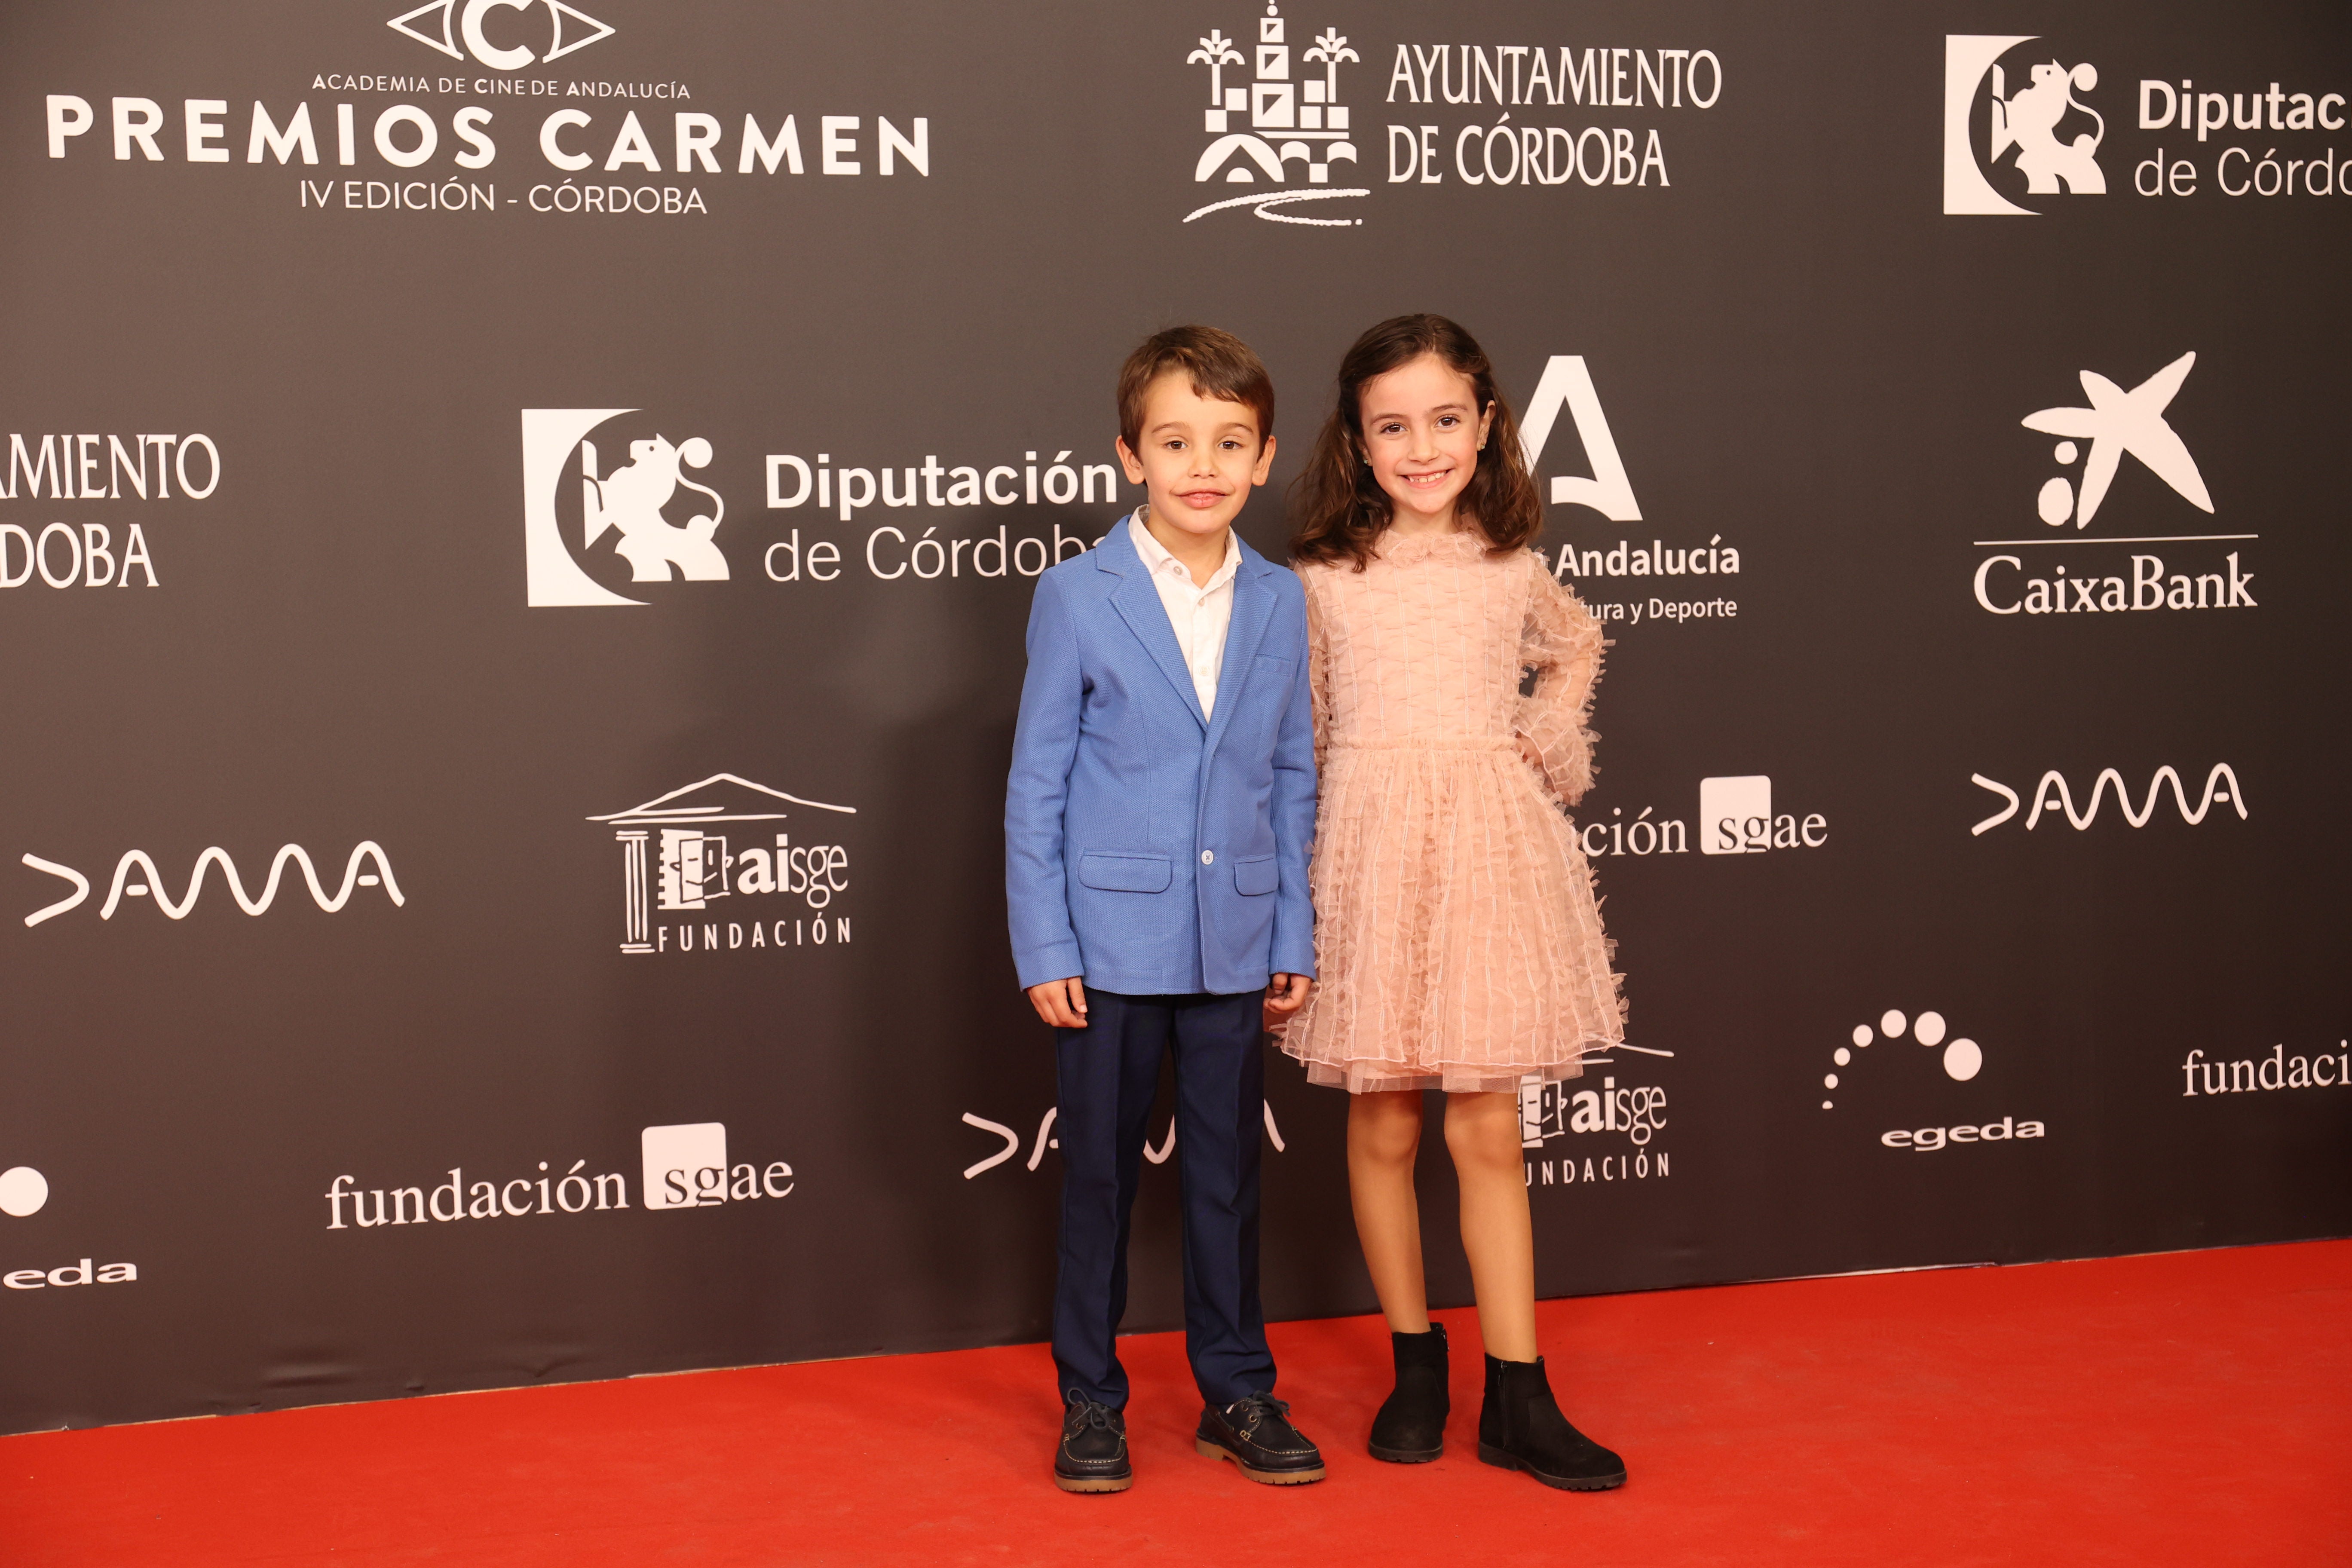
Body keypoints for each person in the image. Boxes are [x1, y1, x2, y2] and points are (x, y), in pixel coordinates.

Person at [1277, 314, 1629, 1491]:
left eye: (1443, 420)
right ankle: (1415, 1364)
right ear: (1358, 444)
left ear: (1486, 425)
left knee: (1487, 1129)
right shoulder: (1324, 579)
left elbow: (1575, 648)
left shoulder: (1511, 564)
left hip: (1485, 853)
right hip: (1369, 858)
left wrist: (1536, 736)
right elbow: (1306, 734)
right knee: (1381, 1123)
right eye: (1392, 427)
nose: (1420, 447)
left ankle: (1519, 1393)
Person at [1005, 325, 1323, 1494]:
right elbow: (1037, 781)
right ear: (1130, 456)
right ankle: (1092, 1400)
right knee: (1096, 1178)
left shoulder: (1283, 601)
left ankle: (1237, 1390)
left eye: (1230, 442)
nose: (1204, 465)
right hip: (1106, 947)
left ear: (1265, 455)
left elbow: (1292, 777)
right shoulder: (1078, 595)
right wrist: (1046, 941)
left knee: (1229, 1176)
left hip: (1235, 942)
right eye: (1177, 441)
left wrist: (1290, 930)